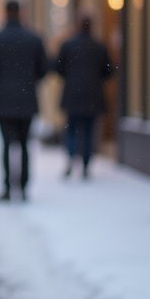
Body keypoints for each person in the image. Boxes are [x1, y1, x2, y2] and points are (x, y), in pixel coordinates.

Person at [0, 0, 47, 201]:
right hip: (27, 100)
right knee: (25, 145)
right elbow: (43, 69)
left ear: (4, 13)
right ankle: (24, 188)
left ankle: (8, 188)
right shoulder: (34, 39)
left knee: (7, 145)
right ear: (22, 12)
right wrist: (28, 81)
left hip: (4, 100)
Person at [55, 14, 113, 178]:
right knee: (88, 131)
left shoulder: (68, 45)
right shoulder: (99, 46)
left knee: (72, 129)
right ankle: (86, 165)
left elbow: (58, 68)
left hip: (73, 94)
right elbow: (108, 71)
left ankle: (71, 159)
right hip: (92, 95)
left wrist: (72, 77)